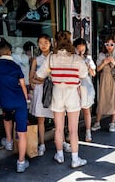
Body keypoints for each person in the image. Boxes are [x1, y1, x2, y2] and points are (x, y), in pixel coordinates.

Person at [36, 30, 88, 168]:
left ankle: (59, 155)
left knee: (58, 129)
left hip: (57, 93)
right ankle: (75, 159)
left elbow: (39, 74)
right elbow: (83, 74)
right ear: (70, 41)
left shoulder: (51, 58)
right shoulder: (76, 58)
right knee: (73, 130)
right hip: (72, 94)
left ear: (56, 42)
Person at [0, 39, 30, 172]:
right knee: (22, 132)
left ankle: (9, 142)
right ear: (10, 52)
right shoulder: (16, 66)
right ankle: (21, 163)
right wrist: (26, 98)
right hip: (19, 101)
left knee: (6, 116)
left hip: (5, 101)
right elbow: (23, 85)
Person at [91, 35, 115, 133]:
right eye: (107, 44)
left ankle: (112, 123)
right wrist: (104, 62)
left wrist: (113, 61)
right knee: (102, 99)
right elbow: (97, 69)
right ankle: (97, 122)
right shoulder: (102, 55)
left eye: (111, 44)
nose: (109, 46)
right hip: (104, 79)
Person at [29, 34, 54, 156]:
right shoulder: (36, 59)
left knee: (58, 118)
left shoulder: (54, 57)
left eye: (46, 42)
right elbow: (31, 79)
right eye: (40, 43)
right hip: (40, 91)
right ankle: (42, 143)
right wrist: (44, 81)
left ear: (50, 43)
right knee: (41, 120)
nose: (43, 45)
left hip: (53, 91)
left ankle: (62, 142)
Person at [73, 37, 96, 142]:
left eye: (82, 46)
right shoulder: (72, 58)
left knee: (86, 110)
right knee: (74, 111)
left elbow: (93, 73)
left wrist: (86, 64)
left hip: (86, 86)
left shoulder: (88, 58)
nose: (80, 48)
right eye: (78, 46)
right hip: (74, 86)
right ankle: (74, 133)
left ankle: (88, 132)